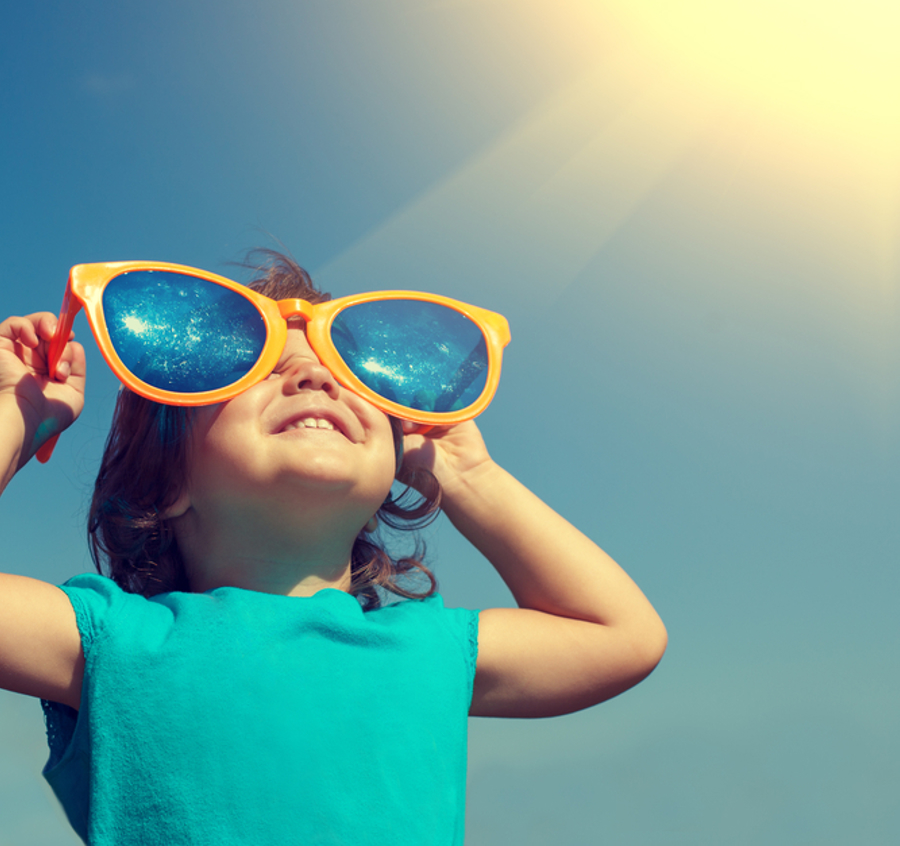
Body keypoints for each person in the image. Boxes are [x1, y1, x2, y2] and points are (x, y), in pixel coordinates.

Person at [0, 251, 667, 845]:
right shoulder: (117, 642)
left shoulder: (424, 648)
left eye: (348, 380)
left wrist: (470, 477)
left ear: (394, 471)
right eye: (260, 371)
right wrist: (20, 409)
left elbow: (621, 636)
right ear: (168, 483)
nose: (315, 380)